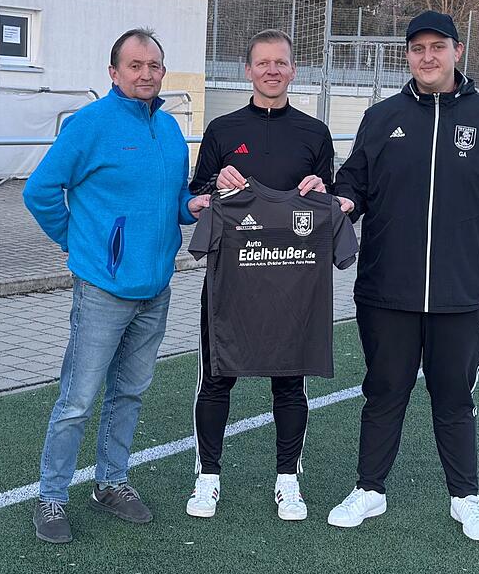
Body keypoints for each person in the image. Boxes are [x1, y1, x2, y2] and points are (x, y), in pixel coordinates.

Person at [328, 11, 479, 540]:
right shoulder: (382, 118)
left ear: (457, 51)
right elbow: (353, 185)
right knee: (384, 391)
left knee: (454, 397)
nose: (427, 57)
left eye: (437, 47)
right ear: (407, 55)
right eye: (417, 48)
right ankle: (369, 490)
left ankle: (466, 498)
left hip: (466, 294)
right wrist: (329, 203)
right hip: (387, 291)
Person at [23, 28, 210, 544]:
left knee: (130, 392)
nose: (146, 74)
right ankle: (52, 495)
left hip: (156, 288)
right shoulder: (90, 125)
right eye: (135, 65)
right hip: (103, 289)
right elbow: (39, 191)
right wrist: (79, 244)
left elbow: (173, 197)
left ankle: (111, 482)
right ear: (114, 72)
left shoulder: (170, 129)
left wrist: (189, 207)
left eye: (154, 66)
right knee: (79, 399)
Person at [186, 29, 334, 521]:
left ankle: (288, 480)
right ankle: (208, 477)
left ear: (294, 71)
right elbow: (196, 195)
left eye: (281, 63)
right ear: (247, 70)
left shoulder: (314, 133)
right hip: (233, 279)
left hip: (294, 280)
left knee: (289, 383)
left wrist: (321, 188)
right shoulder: (223, 130)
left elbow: (333, 200)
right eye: (262, 63)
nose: (272, 70)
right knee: (217, 379)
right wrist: (213, 186)